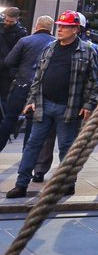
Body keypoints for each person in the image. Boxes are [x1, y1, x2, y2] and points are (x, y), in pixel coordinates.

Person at [6, 11, 98, 198]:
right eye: (60, 26)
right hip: (44, 104)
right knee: (33, 145)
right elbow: (38, 77)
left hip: (69, 107)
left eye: (65, 26)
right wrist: (31, 100)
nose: (61, 29)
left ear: (76, 29)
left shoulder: (87, 51)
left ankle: (67, 183)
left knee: (66, 147)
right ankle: (21, 184)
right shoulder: (49, 48)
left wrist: (89, 105)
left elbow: (94, 81)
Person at [0, 15, 54, 152]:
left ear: (37, 26)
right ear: (51, 28)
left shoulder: (25, 41)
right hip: (42, 88)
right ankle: (27, 155)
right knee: (33, 123)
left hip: (22, 83)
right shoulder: (56, 44)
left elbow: (8, 61)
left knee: (9, 118)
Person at [0, 7, 29, 99]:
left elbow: (19, 53)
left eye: (11, 21)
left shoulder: (21, 33)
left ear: (17, 19)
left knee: (4, 96)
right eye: (6, 20)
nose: (7, 23)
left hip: (8, 69)